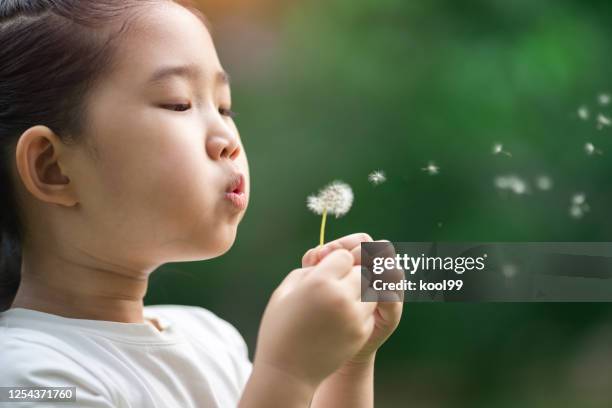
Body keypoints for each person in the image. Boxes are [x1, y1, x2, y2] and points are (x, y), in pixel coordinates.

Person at [0, 1, 403, 406]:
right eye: (178, 103)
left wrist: (346, 366)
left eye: (225, 107)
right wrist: (288, 375)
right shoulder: (26, 375)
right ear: (52, 167)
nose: (227, 139)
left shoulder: (210, 339)